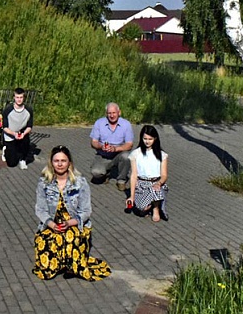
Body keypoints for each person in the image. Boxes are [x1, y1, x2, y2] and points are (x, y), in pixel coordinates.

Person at [33, 145, 111, 281]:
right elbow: (40, 209)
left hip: (74, 222)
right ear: (51, 162)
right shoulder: (44, 182)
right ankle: (56, 265)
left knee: (70, 238)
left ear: (69, 162)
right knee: (46, 242)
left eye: (63, 160)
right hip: (52, 222)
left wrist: (69, 223)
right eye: (56, 161)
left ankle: (72, 266)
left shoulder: (80, 182)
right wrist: (51, 224)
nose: (60, 164)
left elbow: (86, 211)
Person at [127, 125, 169, 222]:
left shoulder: (162, 155)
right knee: (142, 209)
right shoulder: (135, 154)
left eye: (150, 139)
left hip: (156, 182)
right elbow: (133, 175)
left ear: (155, 139)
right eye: (145, 138)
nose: (147, 141)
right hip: (142, 184)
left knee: (156, 189)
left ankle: (156, 208)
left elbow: (164, 175)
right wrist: (132, 196)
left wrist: (159, 183)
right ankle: (148, 206)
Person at [89, 102, 133, 190]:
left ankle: (121, 180)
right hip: (103, 154)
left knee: (127, 156)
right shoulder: (99, 123)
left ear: (119, 113)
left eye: (114, 113)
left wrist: (115, 149)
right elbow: (93, 142)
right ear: (106, 114)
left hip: (118, 154)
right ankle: (106, 173)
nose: (112, 116)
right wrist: (101, 146)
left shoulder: (126, 124)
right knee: (96, 172)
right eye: (109, 113)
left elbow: (129, 145)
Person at [2, 87, 34, 170]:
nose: (19, 100)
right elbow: (5, 127)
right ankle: (6, 150)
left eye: (21, 97)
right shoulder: (7, 110)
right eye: (17, 97)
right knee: (11, 163)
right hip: (10, 134)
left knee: (26, 141)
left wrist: (23, 134)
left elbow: (29, 126)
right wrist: (14, 134)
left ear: (24, 98)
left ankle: (23, 159)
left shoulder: (29, 110)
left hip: (22, 134)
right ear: (14, 98)